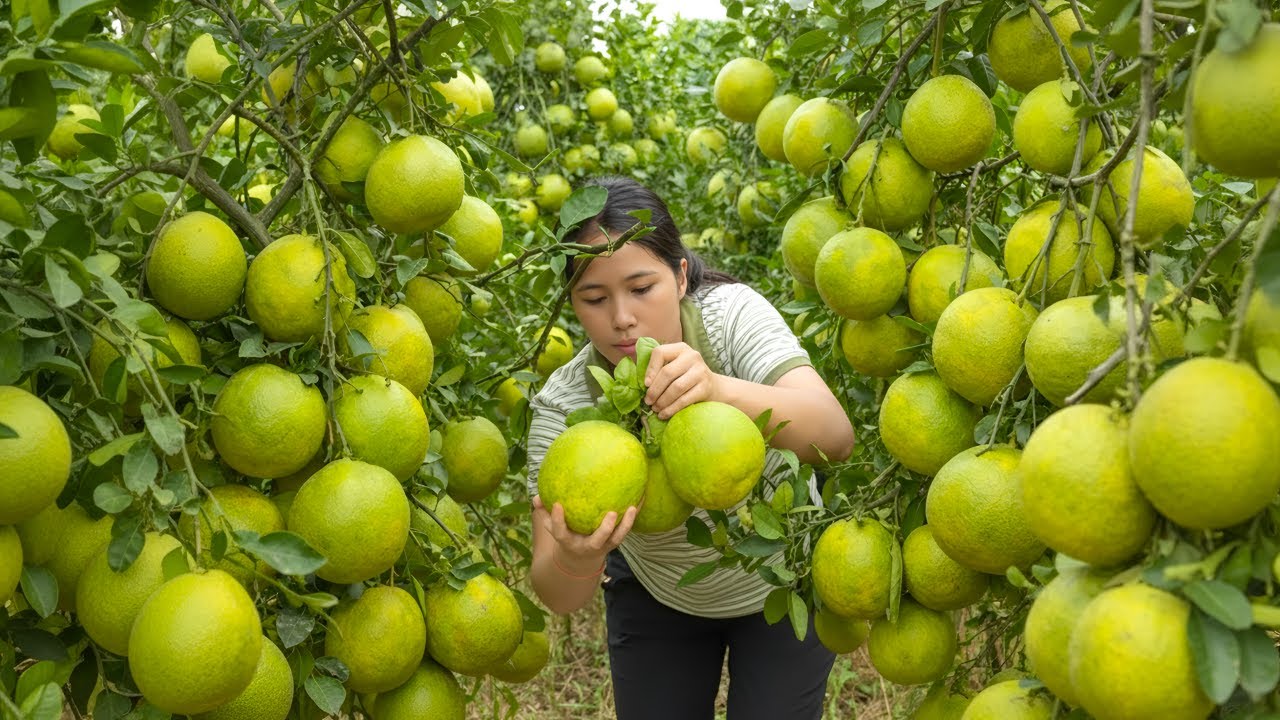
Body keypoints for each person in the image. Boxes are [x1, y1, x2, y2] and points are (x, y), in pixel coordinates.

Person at [525, 176, 856, 720]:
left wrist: (720, 390)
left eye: (640, 287)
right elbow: (556, 593)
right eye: (594, 297)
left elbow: (835, 437)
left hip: (782, 577)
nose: (622, 317)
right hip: (658, 596)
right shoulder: (566, 407)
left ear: (680, 276)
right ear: (572, 302)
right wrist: (576, 558)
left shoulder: (729, 320)